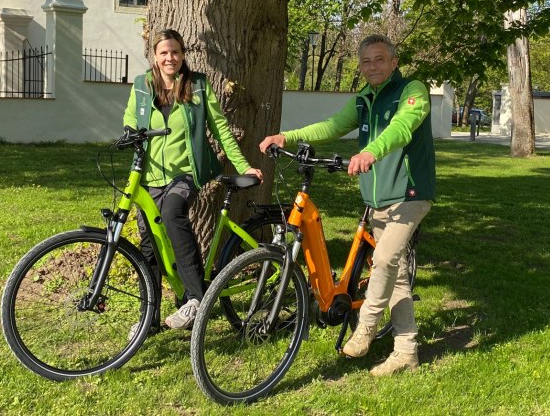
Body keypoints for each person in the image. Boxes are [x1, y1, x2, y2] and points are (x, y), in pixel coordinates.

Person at [259, 34, 435, 376]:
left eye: (380, 59)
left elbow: (402, 127)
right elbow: (332, 126)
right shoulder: (363, 99)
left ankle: (366, 325)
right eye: (366, 61)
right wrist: (287, 136)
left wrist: (371, 151)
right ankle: (406, 352)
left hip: (410, 194)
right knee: (395, 276)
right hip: (378, 197)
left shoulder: (413, 90)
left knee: (383, 260)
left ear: (394, 62)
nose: (373, 66)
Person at [123, 29, 263, 330]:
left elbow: (221, 128)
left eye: (175, 52)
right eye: (164, 52)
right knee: (149, 244)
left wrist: (244, 165)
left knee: (173, 214)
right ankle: (149, 318)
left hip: (185, 174)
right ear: (154, 56)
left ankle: (195, 299)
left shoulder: (197, 85)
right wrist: (128, 134)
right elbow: (130, 119)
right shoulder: (142, 85)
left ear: (183, 54)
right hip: (149, 176)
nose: (169, 57)